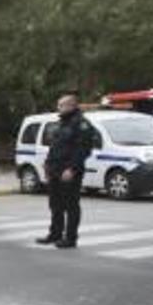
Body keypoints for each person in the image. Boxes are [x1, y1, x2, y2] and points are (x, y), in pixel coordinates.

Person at [37, 93, 95, 249]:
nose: (58, 108)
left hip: (69, 171)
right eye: (59, 105)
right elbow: (55, 147)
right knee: (55, 204)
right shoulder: (61, 123)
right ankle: (55, 234)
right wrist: (47, 166)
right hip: (55, 170)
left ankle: (70, 238)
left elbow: (83, 150)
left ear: (71, 105)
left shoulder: (81, 124)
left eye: (61, 105)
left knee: (71, 205)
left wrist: (72, 169)